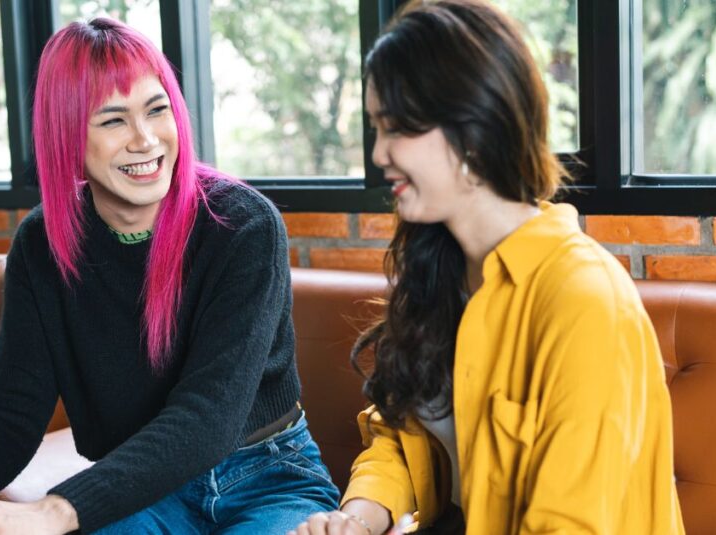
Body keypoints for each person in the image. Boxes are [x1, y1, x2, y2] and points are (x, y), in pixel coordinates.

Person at [0, 18, 340, 534]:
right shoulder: (40, 245)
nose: (145, 139)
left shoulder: (243, 226)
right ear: (67, 134)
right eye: (113, 120)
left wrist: (51, 512)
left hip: (268, 478)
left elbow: (207, 418)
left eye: (157, 110)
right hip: (138, 488)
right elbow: (12, 407)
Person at [292, 1, 685, 534]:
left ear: (473, 128)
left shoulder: (583, 300)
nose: (379, 154)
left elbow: (570, 524)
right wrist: (358, 518)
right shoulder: (440, 270)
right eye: (375, 128)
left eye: (395, 129)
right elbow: (404, 436)